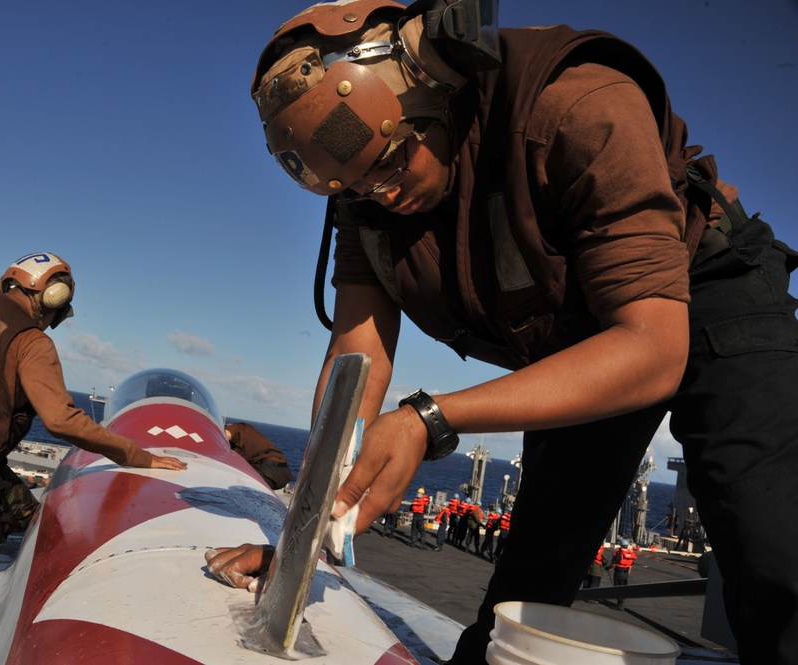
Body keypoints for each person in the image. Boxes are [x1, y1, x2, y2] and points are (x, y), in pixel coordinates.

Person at [211, 1, 798, 662]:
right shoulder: (367, 195)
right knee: (524, 593)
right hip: (577, 334)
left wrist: (428, 418)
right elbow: (357, 354)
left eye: (396, 160)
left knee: (774, 554)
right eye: (357, 185)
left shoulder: (578, 103)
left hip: (705, 283)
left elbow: (651, 347)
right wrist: (301, 537)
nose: (382, 193)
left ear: (434, 88)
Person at [0, 252, 187, 586]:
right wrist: (138, 456)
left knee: (0, 484)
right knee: (34, 522)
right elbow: (62, 421)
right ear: (53, 296)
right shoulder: (30, 342)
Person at [224, 421, 295, 490]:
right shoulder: (247, 431)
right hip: (284, 472)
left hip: (268, 468)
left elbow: (225, 434)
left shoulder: (237, 428)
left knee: (234, 481)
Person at [607, 539, 638, 610]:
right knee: (623, 587)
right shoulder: (631, 554)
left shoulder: (619, 554)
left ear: (621, 545)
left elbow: (614, 563)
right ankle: (621, 603)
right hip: (626, 573)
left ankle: (619, 605)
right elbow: (630, 565)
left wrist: (608, 568)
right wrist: (628, 573)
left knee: (618, 586)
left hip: (619, 572)